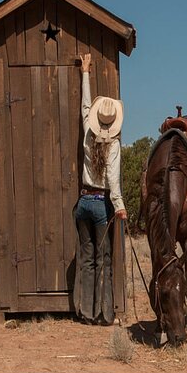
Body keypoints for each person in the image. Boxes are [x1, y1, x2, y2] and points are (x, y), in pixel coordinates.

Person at [73, 53, 127, 325]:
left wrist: (85, 72)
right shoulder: (113, 145)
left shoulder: (87, 133)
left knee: (86, 259)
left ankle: (84, 311)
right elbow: (114, 181)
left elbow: (85, 108)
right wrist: (120, 207)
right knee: (103, 259)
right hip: (101, 205)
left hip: (82, 203)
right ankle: (104, 314)